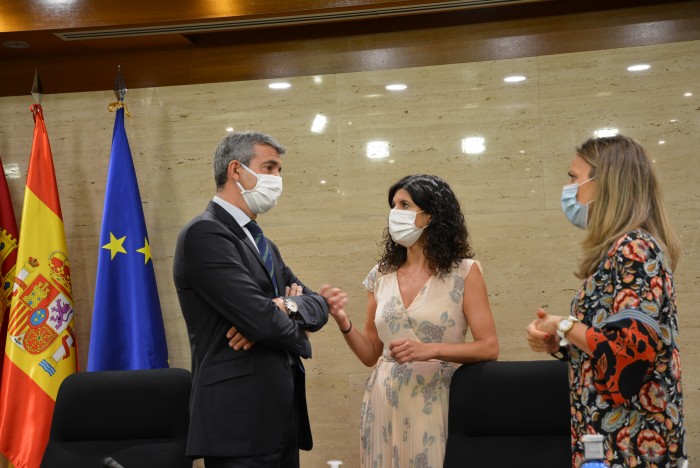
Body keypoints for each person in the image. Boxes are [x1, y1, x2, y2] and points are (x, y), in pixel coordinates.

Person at [173, 130, 344, 468]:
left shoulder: (263, 243)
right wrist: (279, 316)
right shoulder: (205, 234)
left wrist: (285, 306)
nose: (277, 179)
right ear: (236, 170)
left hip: (281, 417)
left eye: (279, 170)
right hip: (238, 422)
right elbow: (262, 322)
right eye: (269, 168)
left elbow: (319, 305)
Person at [526, 135, 687, 467]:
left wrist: (565, 324)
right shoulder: (619, 251)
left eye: (574, 177)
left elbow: (631, 355)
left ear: (606, 183)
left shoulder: (635, 248)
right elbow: (610, 343)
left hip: (631, 445)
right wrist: (560, 341)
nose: (568, 188)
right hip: (611, 439)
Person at [321, 174, 499, 467]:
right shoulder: (381, 275)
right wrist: (343, 322)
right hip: (384, 400)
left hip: (437, 401)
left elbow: (489, 347)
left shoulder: (464, 272)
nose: (395, 213)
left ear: (431, 215)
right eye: (393, 205)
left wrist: (429, 350)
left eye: (405, 205)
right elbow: (370, 353)